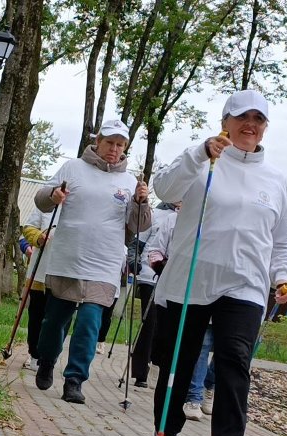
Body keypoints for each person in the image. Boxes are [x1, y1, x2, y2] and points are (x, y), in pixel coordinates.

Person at [149, 89, 287, 436]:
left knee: (235, 359)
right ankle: (167, 428)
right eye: (242, 117)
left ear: (265, 128)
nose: (250, 124)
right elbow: (164, 189)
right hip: (192, 278)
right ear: (225, 122)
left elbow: (281, 241)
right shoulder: (202, 160)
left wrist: (282, 276)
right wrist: (200, 153)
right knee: (181, 358)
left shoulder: (276, 179)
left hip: (245, 284)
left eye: (258, 119)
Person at [34, 119, 151, 404]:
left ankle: (74, 380)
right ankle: (46, 360)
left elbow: (139, 227)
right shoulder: (72, 168)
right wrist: (53, 195)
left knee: (89, 323)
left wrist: (142, 202)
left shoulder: (130, 182)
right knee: (54, 321)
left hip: (104, 263)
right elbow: (41, 201)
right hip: (68, 258)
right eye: (110, 142)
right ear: (98, 141)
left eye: (120, 145)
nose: (114, 149)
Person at [131, 202, 179, 388]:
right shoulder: (155, 214)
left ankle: (158, 364)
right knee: (150, 321)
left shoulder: (191, 216)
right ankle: (140, 371)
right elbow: (138, 242)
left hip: (175, 280)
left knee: (164, 325)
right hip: (150, 275)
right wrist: (134, 262)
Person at [20, 207, 59, 372]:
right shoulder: (46, 204)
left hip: (65, 272)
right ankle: (34, 353)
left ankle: (49, 356)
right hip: (40, 271)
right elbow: (27, 229)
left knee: (56, 319)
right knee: (36, 315)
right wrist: (38, 237)